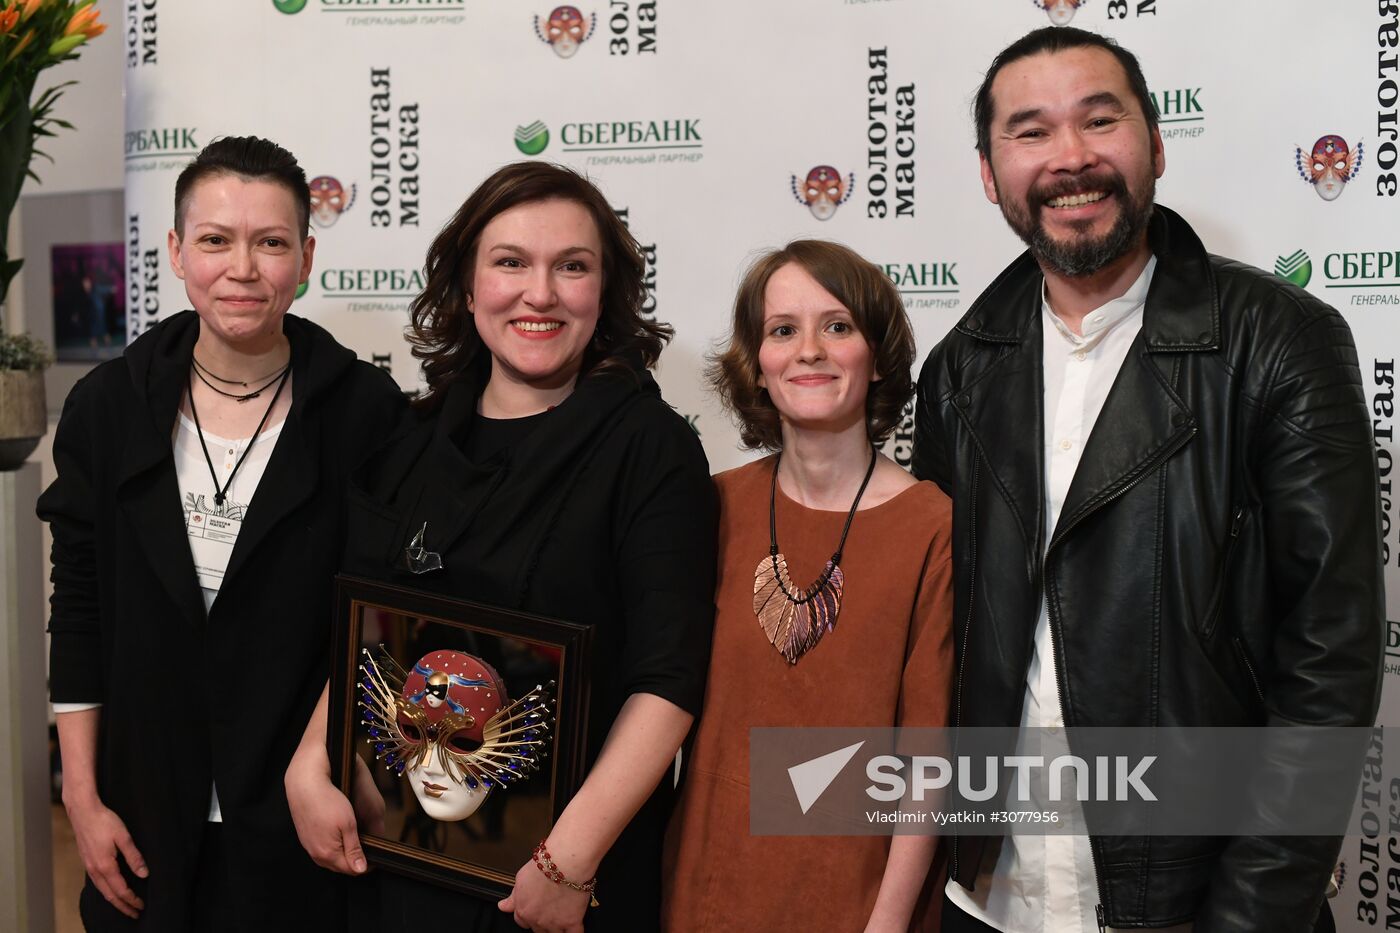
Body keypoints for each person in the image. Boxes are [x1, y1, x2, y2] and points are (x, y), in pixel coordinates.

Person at [912, 26, 1383, 933]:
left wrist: (1252, 912)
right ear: (988, 172)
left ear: (1156, 144)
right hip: (987, 900)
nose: (1072, 158)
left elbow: (1330, 659)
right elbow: (939, 645)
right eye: (1031, 131)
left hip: (1194, 904)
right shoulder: (960, 369)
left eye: (1100, 120)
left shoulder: (1277, 341)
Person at [283, 160, 718, 933]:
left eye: (572, 267)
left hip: (559, 888)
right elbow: (369, 625)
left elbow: (668, 682)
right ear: (467, 282)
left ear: (606, 291)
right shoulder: (414, 436)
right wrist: (310, 758)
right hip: (403, 867)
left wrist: (567, 862)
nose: (540, 293)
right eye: (511, 262)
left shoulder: (651, 449)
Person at [38, 136, 406, 931]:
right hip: (142, 818)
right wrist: (80, 791)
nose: (243, 268)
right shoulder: (110, 407)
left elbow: (379, 620)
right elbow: (80, 606)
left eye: (271, 242)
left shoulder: (366, 413)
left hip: (301, 825)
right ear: (175, 251)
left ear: (305, 257)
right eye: (215, 240)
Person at [663, 240, 954, 932]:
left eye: (839, 325)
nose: (810, 350)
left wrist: (887, 922)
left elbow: (929, 762)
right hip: (698, 892)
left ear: (877, 355)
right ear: (756, 366)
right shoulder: (712, 506)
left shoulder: (933, 526)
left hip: (858, 905)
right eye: (783, 329)